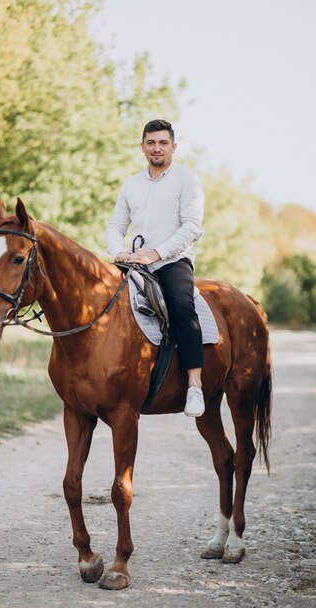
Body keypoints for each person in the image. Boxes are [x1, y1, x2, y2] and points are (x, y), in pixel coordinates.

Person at [107, 119, 205, 417]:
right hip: (133, 261)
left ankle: (194, 386)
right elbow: (116, 225)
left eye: (163, 143)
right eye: (151, 143)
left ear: (173, 147)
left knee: (181, 307)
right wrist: (118, 252)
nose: (157, 148)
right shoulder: (131, 184)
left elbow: (192, 227)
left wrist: (157, 253)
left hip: (171, 261)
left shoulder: (187, 181)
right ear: (142, 147)